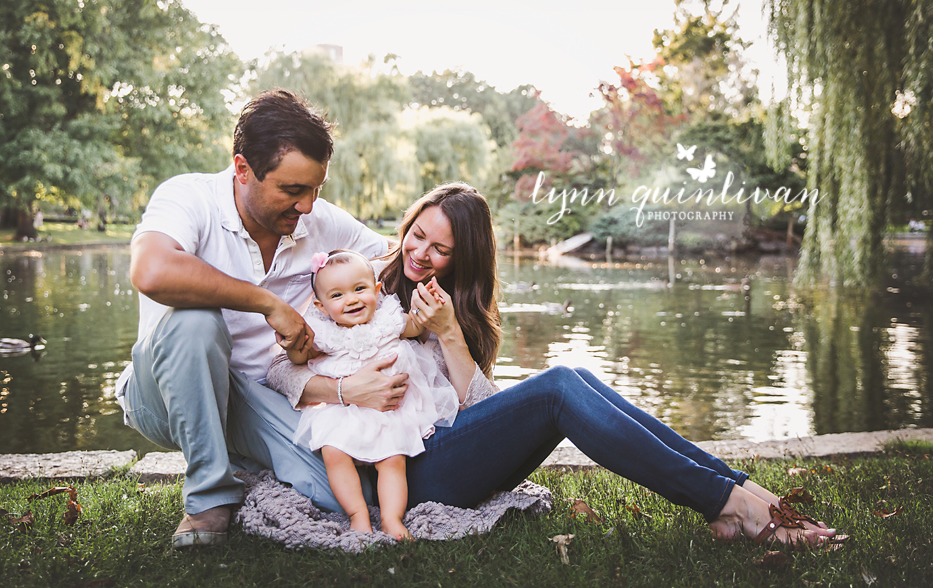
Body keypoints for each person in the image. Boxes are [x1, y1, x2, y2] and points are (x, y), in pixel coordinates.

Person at [266, 183, 845, 549]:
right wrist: (347, 390)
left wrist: (450, 337)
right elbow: (280, 370)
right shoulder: (357, 284)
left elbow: (482, 412)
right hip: (399, 471)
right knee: (561, 386)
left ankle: (741, 493)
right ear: (409, 223)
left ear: (462, 257)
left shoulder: (456, 309)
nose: (421, 254)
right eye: (418, 235)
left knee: (578, 381)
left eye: (440, 249)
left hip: (445, 449)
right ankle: (733, 507)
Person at [115, 90, 395, 548]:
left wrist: (441, 238)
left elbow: (392, 261)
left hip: (251, 401)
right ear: (243, 169)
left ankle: (243, 456)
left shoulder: (319, 220)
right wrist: (270, 305)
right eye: (291, 190)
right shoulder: (190, 196)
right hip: (163, 394)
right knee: (195, 323)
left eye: (315, 189)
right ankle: (208, 502)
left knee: (344, 493)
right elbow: (151, 270)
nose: (306, 206)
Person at [287, 249, 458, 538]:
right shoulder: (323, 333)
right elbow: (300, 358)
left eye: (359, 289)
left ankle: (392, 518)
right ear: (321, 306)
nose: (351, 299)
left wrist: (426, 306)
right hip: (344, 411)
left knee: (393, 460)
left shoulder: (388, 318)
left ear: (377, 291)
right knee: (333, 452)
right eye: (337, 295)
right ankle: (358, 515)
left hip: (392, 408)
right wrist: (291, 344)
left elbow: (415, 327)